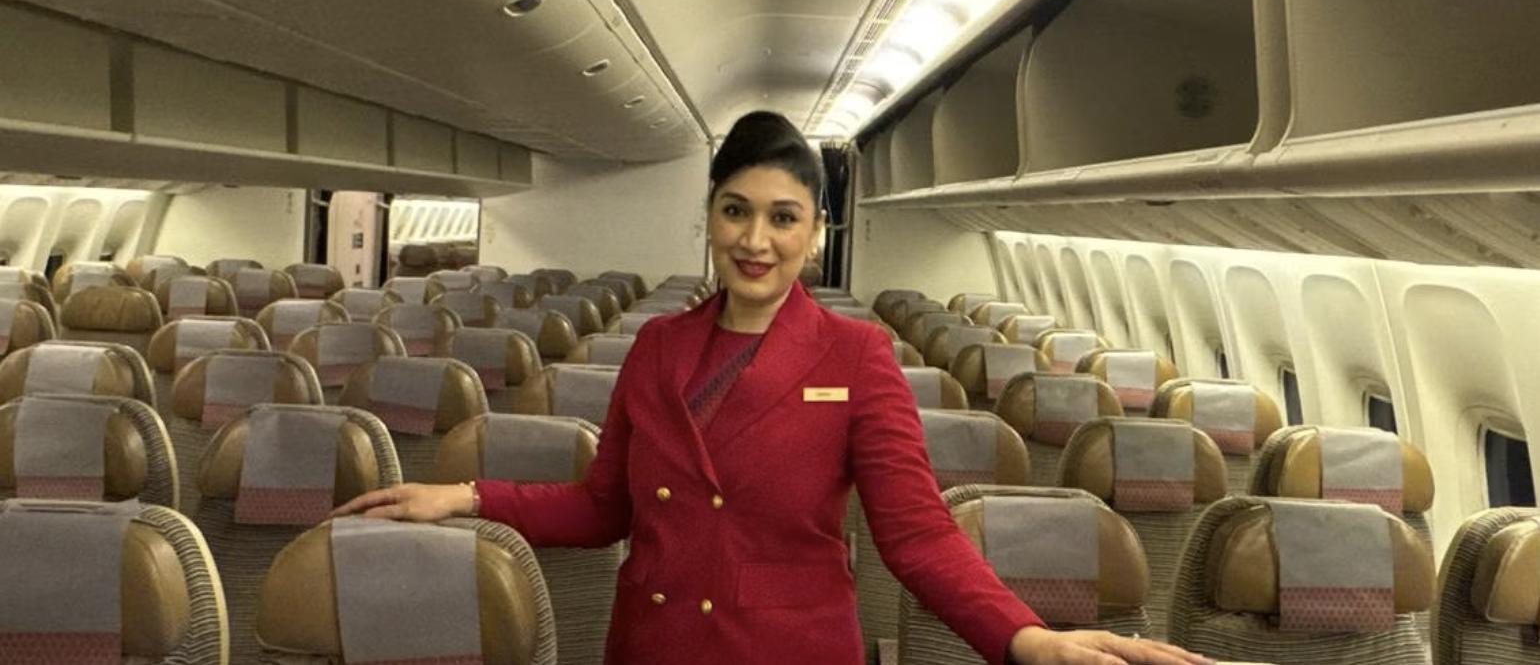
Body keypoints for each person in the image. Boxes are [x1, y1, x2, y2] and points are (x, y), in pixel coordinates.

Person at [335, 111, 1215, 665]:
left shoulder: (859, 356)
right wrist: (463, 494)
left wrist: (1023, 636)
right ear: (712, 217)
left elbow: (916, 538)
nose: (757, 239)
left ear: (815, 230)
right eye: (736, 210)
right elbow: (604, 510)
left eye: (783, 217)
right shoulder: (657, 348)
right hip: (654, 646)